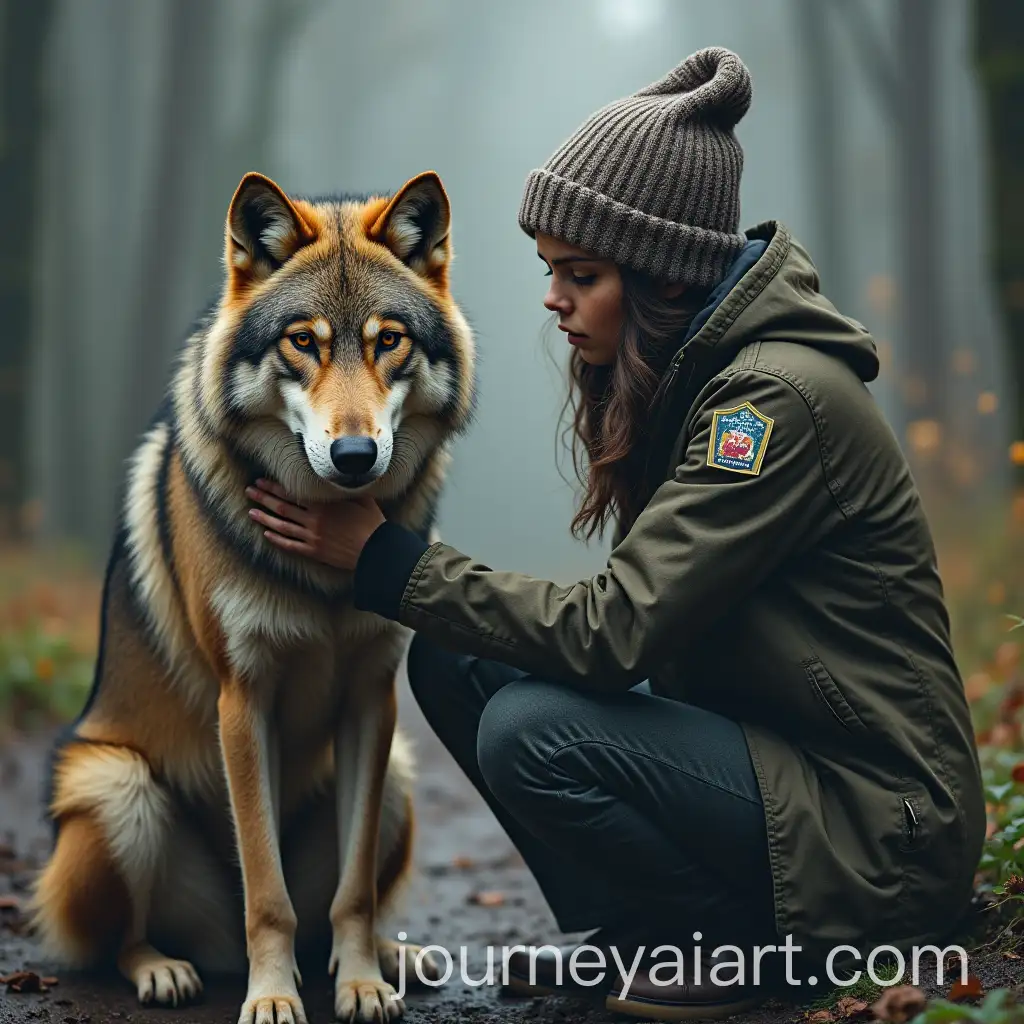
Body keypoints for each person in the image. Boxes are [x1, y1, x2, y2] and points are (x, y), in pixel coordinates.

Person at [244, 46, 986, 1021]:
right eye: (551, 269)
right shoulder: (701, 377)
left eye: (580, 273)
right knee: (457, 666)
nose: (552, 299)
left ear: (661, 274)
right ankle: (638, 937)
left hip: (879, 826)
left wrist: (385, 557)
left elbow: (614, 632)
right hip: (783, 761)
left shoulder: (766, 403)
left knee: (533, 730)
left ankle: (734, 955)